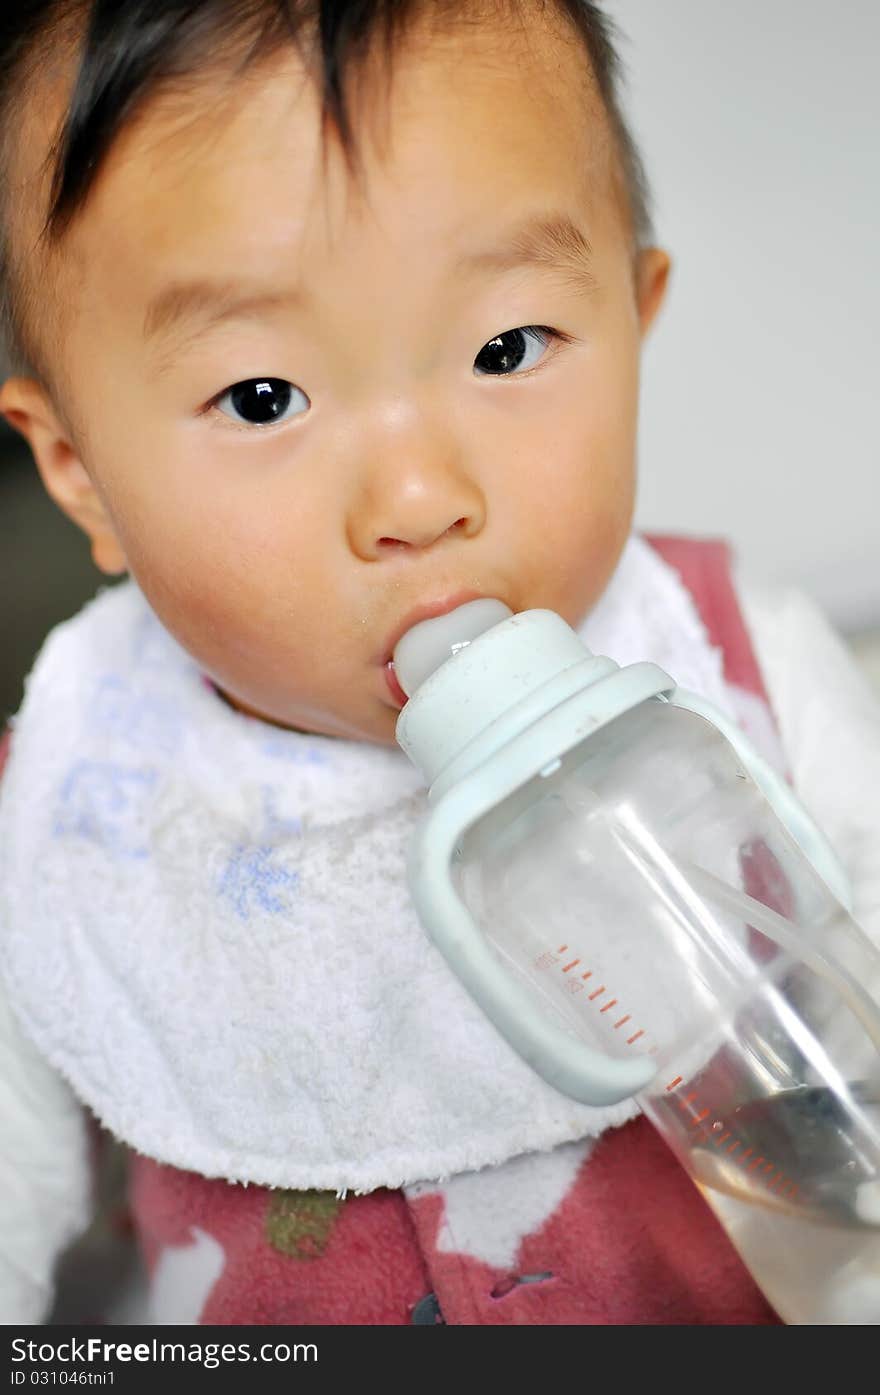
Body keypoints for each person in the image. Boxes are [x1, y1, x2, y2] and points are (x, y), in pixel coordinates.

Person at [0, 0, 878, 1325]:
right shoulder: (66, 809)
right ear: (81, 474)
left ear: (636, 325)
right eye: (261, 398)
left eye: (506, 348)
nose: (419, 496)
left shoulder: (749, 664)